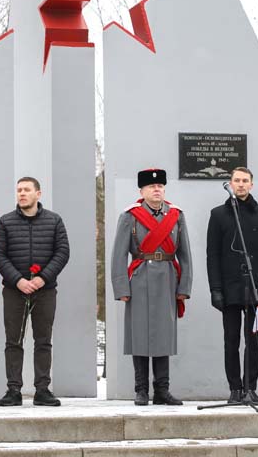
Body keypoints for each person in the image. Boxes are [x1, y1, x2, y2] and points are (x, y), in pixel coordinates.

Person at [111, 168, 192, 406]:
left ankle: (162, 391)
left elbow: (185, 254)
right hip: (140, 278)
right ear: (142, 191)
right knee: (139, 335)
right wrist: (122, 288)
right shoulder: (130, 216)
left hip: (167, 277)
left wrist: (184, 286)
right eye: (151, 187)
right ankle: (141, 390)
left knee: (163, 336)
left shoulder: (176, 215)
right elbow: (118, 255)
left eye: (160, 187)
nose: (156, 190)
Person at [0, 177, 70, 407]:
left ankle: (42, 390)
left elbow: (62, 252)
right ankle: (13, 390)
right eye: (19, 190)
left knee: (43, 340)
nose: (22, 194)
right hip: (14, 291)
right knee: (13, 341)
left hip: (45, 291)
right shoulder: (5, 222)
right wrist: (18, 280)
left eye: (27, 190)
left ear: (38, 193)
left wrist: (42, 278)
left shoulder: (54, 221)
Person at [206, 166, 258, 404]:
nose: (240, 184)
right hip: (229, 287)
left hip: (257, 287)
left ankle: (251, 387)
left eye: (244, 180)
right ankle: (235, 388)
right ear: (231, 183)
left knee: (254, 340)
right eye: (236, 180)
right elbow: (212, 255)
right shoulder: (218, 214)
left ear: (251, 184)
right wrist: (215, 289)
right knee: (231, 339)